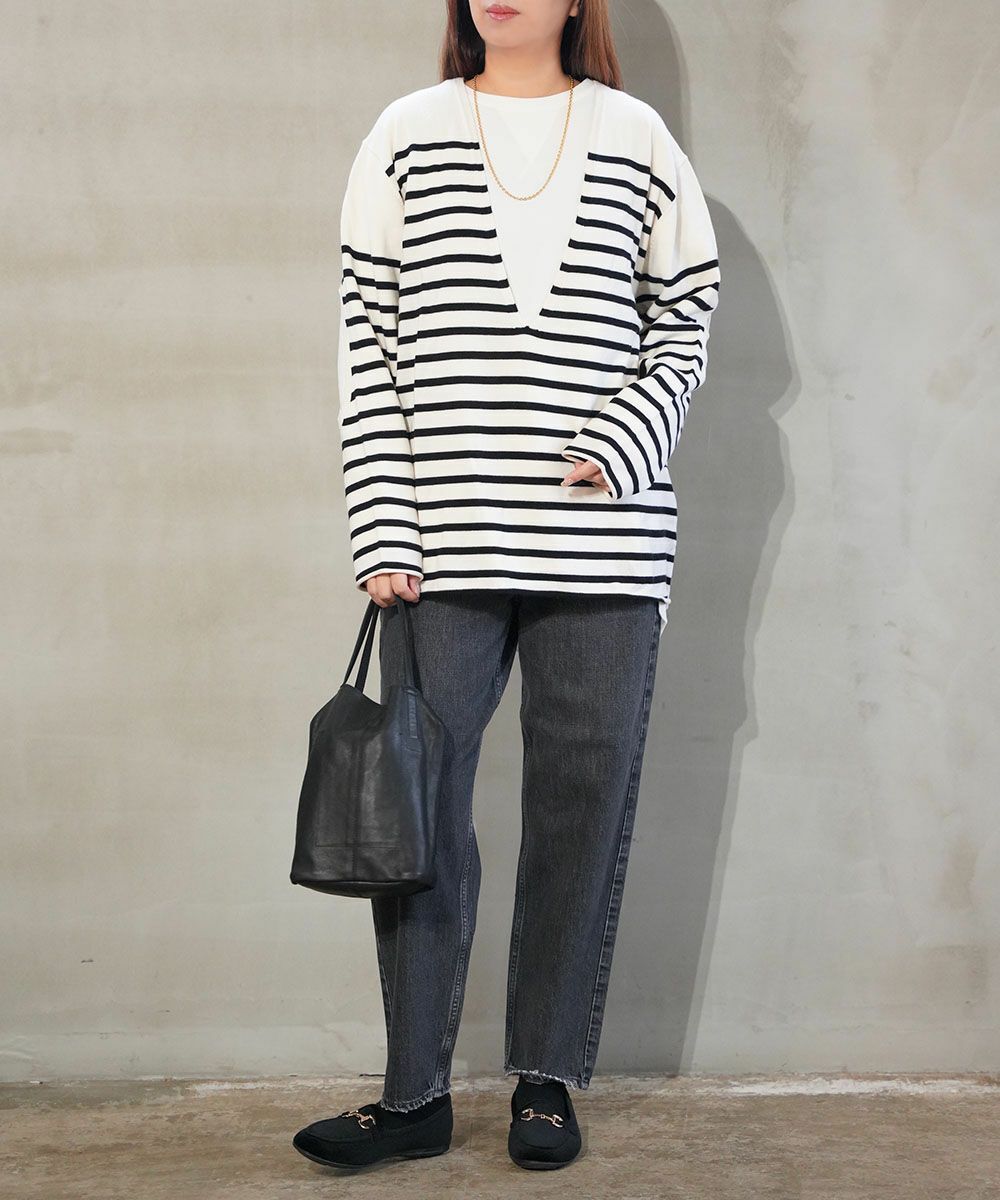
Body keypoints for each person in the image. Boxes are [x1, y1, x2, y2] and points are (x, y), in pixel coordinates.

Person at [293, 0, 720, 1172]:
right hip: (441, 542)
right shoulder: (405, 133)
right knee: (419, 812)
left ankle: (546, 1079)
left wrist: (626, 440)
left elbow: (686, 315)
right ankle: (414, 1096)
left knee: (580, 808)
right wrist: (383, 519)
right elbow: (366, 339)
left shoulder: (635, 138)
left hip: (605, 544)